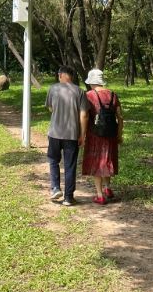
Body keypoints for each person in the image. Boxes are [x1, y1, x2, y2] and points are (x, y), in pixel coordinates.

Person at [45, 65, 89, 206]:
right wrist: (82, 134)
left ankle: (55, 188)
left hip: (54, 133)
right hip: (72, 134)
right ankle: (68, 198)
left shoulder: (53, 89)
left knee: (53, 160)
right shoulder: (80, 92)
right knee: (70, 165)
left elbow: (50, 107)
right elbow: (84, 115)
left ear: (60, 75)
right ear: (72, 76)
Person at [81, 68, 123, 205]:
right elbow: (120, 117)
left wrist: (82, 134)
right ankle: (108, 188)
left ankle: (99, 195)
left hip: (95, 135)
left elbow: (86, 115)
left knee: (97, 162)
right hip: (111, 134)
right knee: (107, 159)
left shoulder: (89, 96)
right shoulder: (113, 95)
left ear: (91, 82)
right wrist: (119, 134)